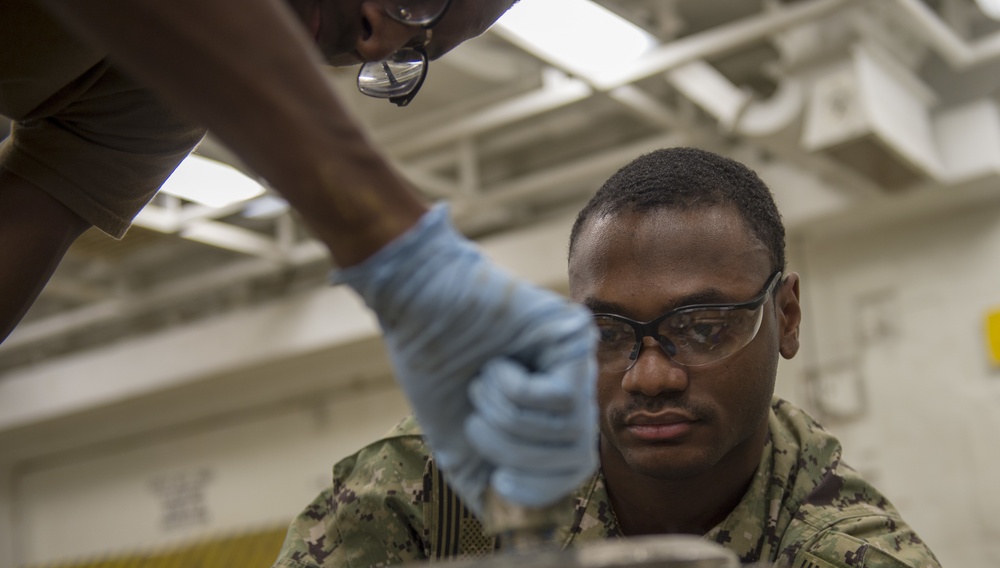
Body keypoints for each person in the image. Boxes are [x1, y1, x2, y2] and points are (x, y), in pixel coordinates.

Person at [203, 146, 996, 568]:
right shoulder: (472, 476)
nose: (650, 374)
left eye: (704, 325)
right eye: (609, 334)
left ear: (785, 315)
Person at [1, 0, 598, 517]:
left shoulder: (167, 83)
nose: (380, 39)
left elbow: (27, 220)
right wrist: (405, 257)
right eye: (420, 1)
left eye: (419, 47)